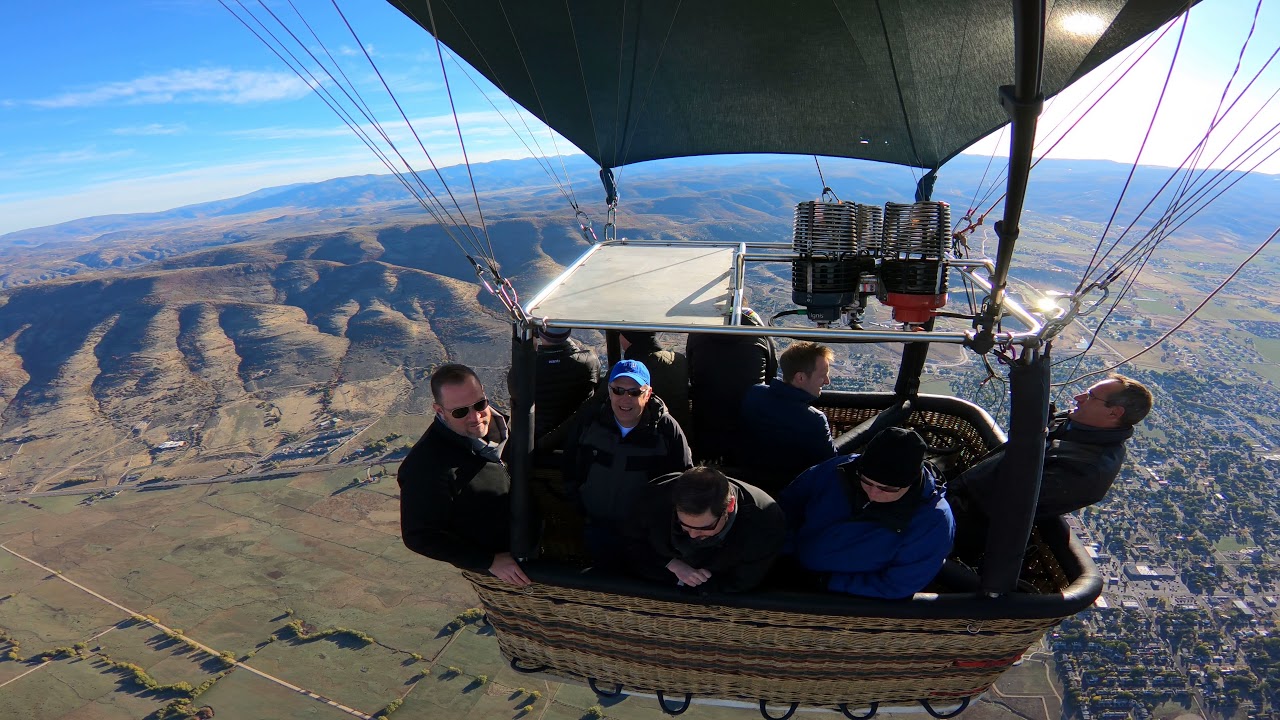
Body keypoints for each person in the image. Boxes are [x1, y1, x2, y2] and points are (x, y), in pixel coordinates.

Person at [947, 374, 1153, 555]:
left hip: (960, 523)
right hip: (958, 494)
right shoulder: (1073, 422)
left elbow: (1003, 503)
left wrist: (945, 497)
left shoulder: (1089, 469)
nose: (1078, 397)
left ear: (1114, 413)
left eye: (1090, 396)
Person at [779, 427, 953, 599]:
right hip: (789, 564)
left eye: (887, 488)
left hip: (845, 596)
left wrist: (829, 582)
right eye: (867, 482)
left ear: (912, 482)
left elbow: (898, 584)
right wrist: (785, 550)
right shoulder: (838, 469)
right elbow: (790, 504)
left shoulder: (933, 521)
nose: (873, 493)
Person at [398, 363, 530, 586]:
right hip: (510, 570)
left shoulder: (510, 428)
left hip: (539, 541)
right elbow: (419, 535)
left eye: (480, 404)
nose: (475, 417)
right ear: (439, 410)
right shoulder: (426, 465)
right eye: (460, 412)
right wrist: (488, 561)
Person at [562, 359, 693, 564]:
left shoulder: (666, 429)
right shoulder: (591, 421)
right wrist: (580, 505)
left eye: (634, 392)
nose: (625, 398)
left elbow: (684, 480)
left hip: (646, 537)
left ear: (647, 394)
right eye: (618, 390)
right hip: (596, 526)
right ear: (609, 391)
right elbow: (570, 464)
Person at [626, 467, 786, 593]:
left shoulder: (764, 522)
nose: (693, 535)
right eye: (684, 525)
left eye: (705, 528)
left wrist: (701, 583)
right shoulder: (654, 497)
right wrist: (671, 565)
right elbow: (630, 545)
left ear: (730, 506)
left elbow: (744, 580)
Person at [736, 342, 838, 494]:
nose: (827, 381)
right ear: (800, 378)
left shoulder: (755, 394)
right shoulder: (814, 420)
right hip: (793, 491)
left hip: (748, 484)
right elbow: (831, 463)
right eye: (822, 375)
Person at [686, 307, 777, 464]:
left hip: (705, 429)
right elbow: (771, 377)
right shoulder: (760, 335)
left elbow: (691, 374)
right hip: (750, 433)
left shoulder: (697, 332)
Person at [507, 325, 600, 455]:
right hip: (576, 442)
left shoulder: (523, 370)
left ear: (538, 332)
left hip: (535, 446)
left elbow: (517, 396)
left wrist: (531, 351)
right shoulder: (588, 362)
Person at [621, 331, 692, 437]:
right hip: (682, 432)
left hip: (645, 438)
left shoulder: (625, 373)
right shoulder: (678, 360)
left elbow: (597, 406)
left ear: (628, 338)